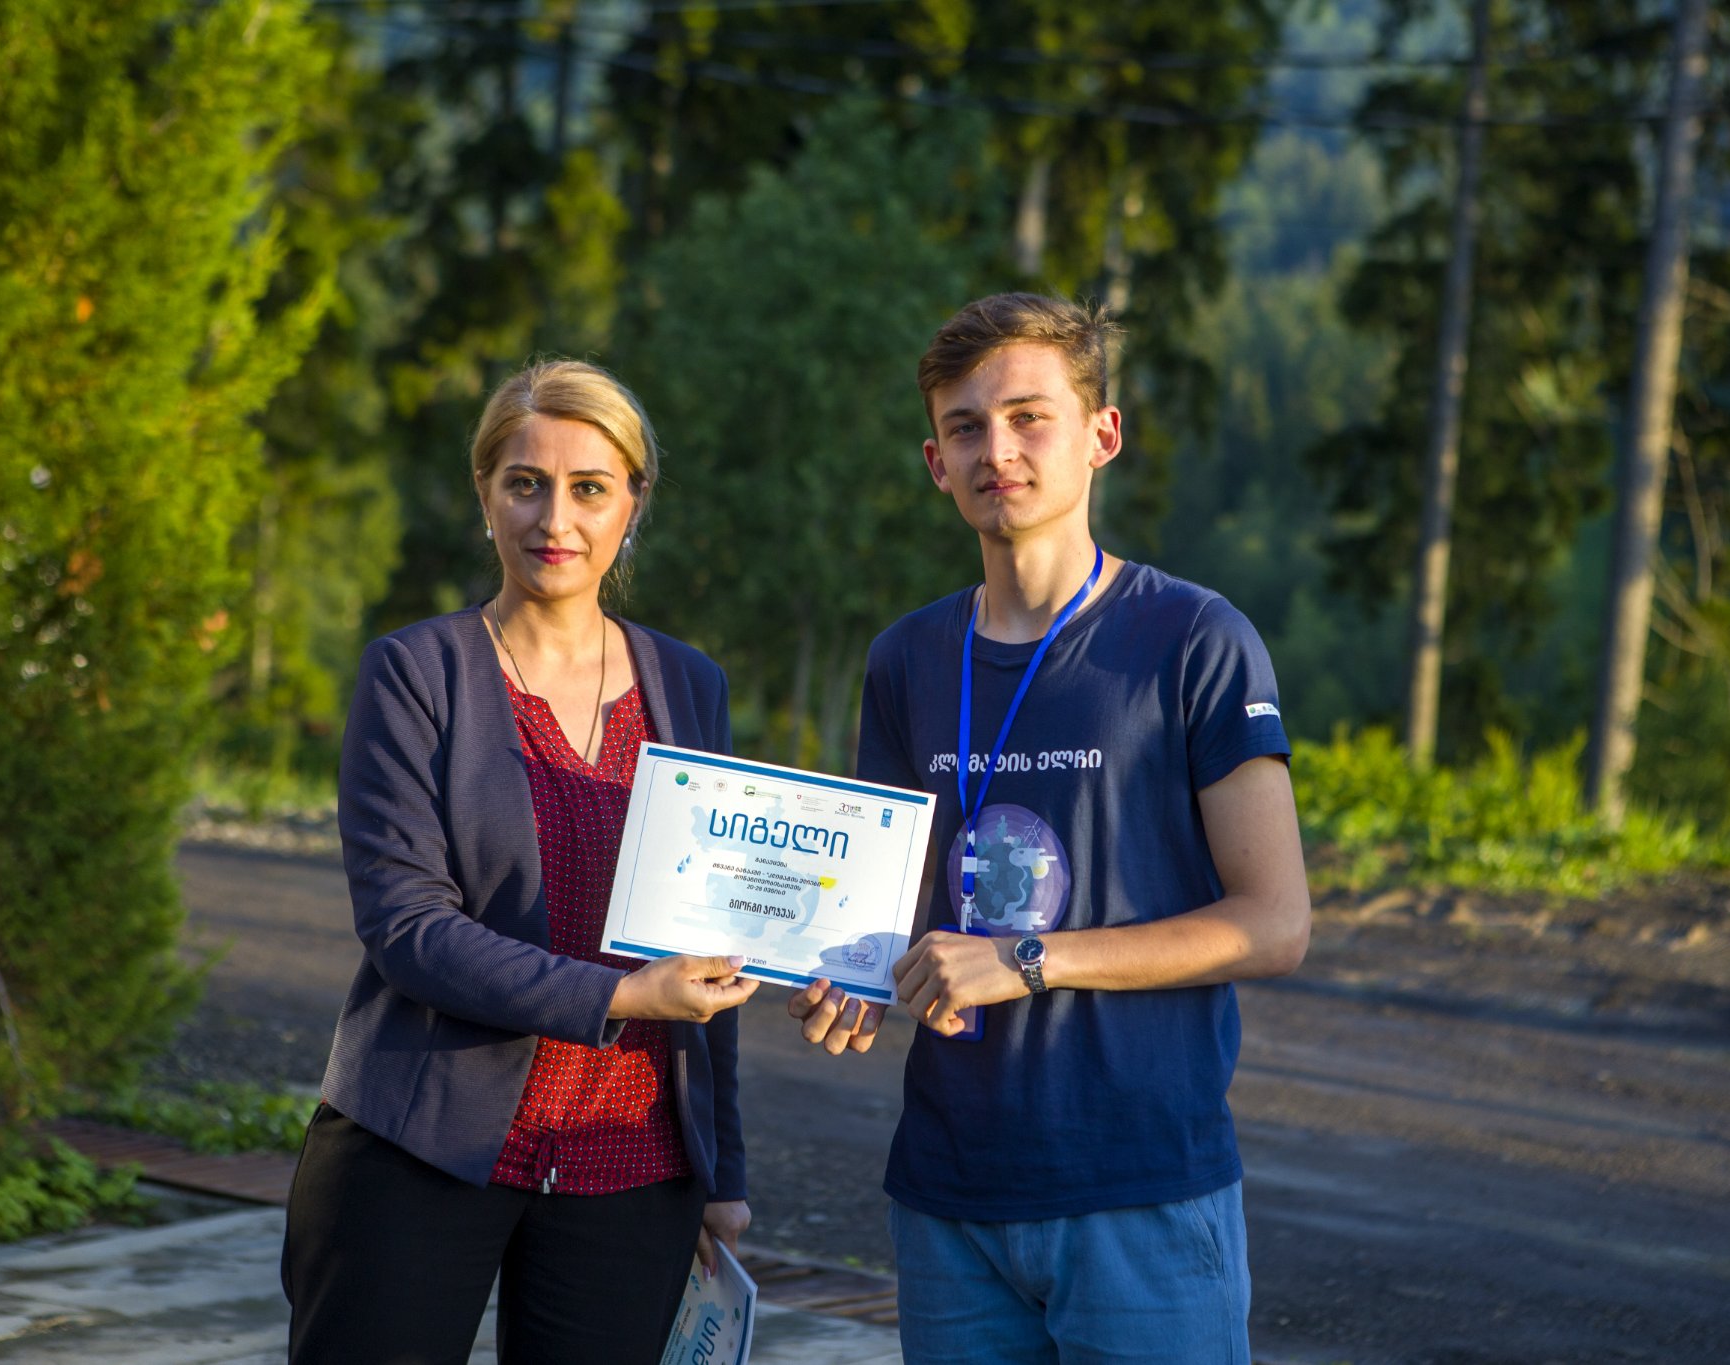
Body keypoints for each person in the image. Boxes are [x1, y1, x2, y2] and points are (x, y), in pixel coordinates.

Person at [789, 294, 1312, 1364]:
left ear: (1100, 435)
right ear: (935, 463)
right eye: (966, 428)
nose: (998, 451)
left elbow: (1274, 924)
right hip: (947, 1198)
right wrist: (845, 968)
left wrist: (1027, 959)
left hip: (1141, 1191)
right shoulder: (904, 660)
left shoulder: (1194, 640)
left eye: (1029, 417)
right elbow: (893, 902)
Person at [283, 360, 758, 1365]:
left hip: (633, 1160)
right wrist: (621, 995)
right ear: (485, 493)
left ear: (633, 501)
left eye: (589, 487)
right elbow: (410, 929)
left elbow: (709, 933)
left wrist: (723, 1171)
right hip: (421, 1143)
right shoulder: (415, 673)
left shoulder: (690, 684)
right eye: (525, 484)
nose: (556, 519)